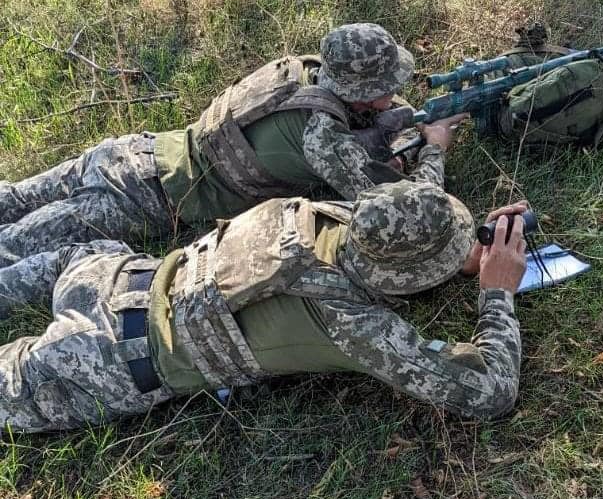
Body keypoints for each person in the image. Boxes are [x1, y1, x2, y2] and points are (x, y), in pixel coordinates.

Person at [0, 183, 529, 432]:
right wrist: (496, 293)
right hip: (100, 357)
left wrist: (458, 249)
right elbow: (488, 392)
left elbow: (403, 220)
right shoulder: (351, 321)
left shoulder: (329, 215)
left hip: (107, 272)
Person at [0, 23, 464, 267]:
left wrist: (392, 121)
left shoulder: (302, 71)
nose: (396, 91)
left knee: (14, 198)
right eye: (387, 85)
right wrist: (434, 145)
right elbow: (399, 209)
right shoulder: (325, 140)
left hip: (130, 152)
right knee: (11, 253)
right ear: (357, 90)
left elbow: (372, 116)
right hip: (137, 200)